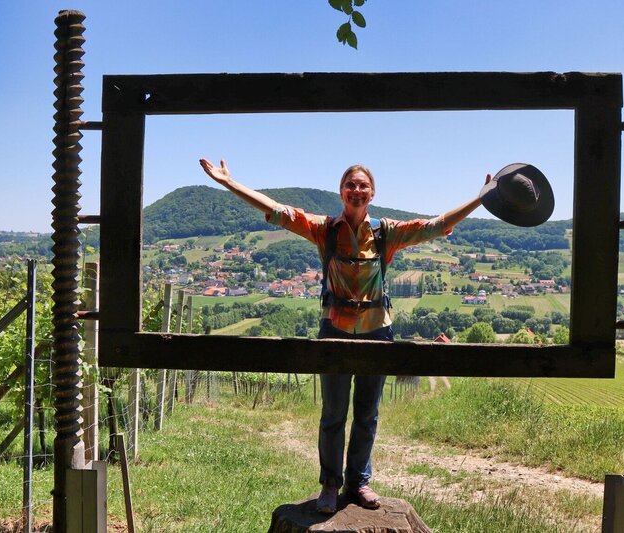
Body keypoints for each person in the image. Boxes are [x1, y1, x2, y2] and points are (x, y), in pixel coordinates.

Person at [199, 158, 488, 514]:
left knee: (368, 413)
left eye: (363, 185)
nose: (356, 190)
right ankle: (330, 485)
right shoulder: (325, 229)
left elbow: (435, 225)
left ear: (372, 192)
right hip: (334, 331)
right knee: (333, 413)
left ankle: (359, 482)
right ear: (341, 191)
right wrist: (229, 182)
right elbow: (278, 212)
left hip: (377, 332)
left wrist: (480, 198)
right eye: (351, 184)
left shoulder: (387, 232)